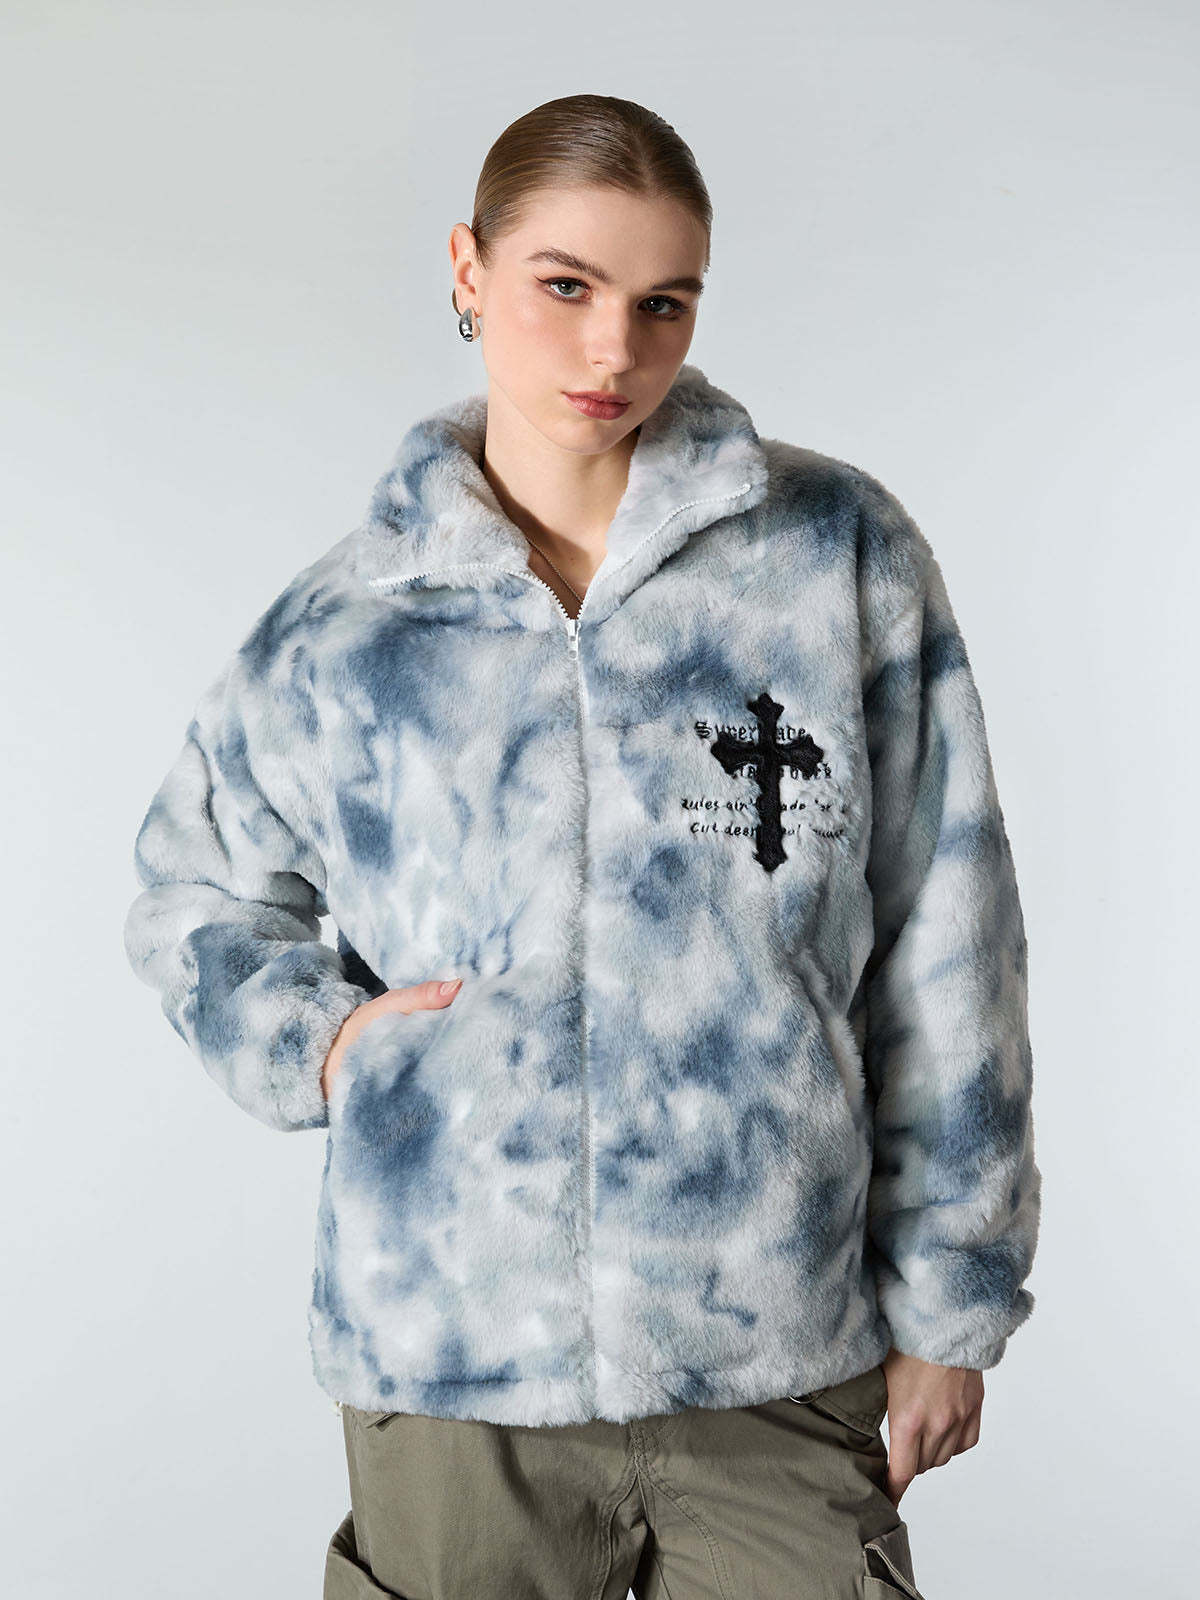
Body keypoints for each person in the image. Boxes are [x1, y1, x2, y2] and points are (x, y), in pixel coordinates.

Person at [122, 93, 1041, 1600]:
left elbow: (952, 936)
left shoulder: (831, 557)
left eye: (663, 302)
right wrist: (324, 1043)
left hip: (772, 1343)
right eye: (566, 286)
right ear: (469, 271)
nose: (614, 349)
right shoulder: (348, 623)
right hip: (452, 1358)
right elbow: (194, 892)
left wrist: (952, 1299)